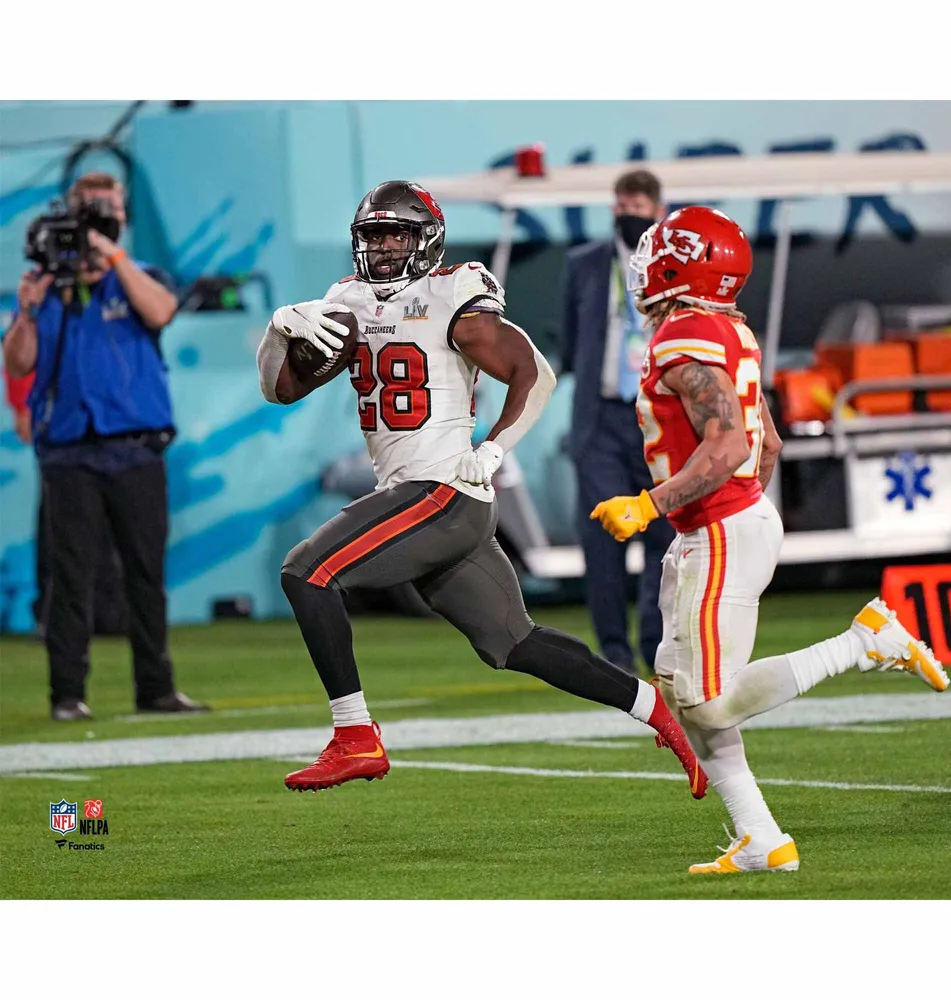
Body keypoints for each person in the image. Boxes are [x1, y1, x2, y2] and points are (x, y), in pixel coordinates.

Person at [256, 179, 705, 795]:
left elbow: (536, 373)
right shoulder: (347, 302)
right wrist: (279, 331)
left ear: (426, 239)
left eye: (398, 234)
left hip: (443, 488)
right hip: (417, 495)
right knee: (514, 641)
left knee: (307, 571)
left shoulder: (452, 294)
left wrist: (493, 448)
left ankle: (354, 734)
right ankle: (652, 709)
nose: (385, 249)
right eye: (374, 236)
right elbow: (280, 388)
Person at [591, 206, 950, 874]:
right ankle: (761, 836)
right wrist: (731, 512)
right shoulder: (728, 327)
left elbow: (729, 444)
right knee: (681, 687)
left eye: (658, 252)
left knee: (706, 699)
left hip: (719, 529)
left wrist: (652, 505)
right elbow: (769, 442)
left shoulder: (684, 336)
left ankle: (864, 641)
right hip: (726, 524)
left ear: (681, 263)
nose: (645, 265)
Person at [1, 172, 207, 721]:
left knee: (145, 573)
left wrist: (111, 257)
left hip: (136, 448)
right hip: (69, 451)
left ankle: (155, 689)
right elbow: (18, 362)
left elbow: (161, 311)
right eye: (89, 210)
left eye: (107, 209)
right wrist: (25, 310)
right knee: (71, 577)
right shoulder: (46, 287)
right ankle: (67, 695)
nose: (97, 219)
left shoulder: (138, 275)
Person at [560, 169, 673, 676]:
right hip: (601, 418)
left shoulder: (672, 267)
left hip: (657, 416)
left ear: (658, 210)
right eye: (622, 205)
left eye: (639, 205)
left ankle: (655, 641)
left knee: (663, 533)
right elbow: (569, 340)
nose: (629, 213)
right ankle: (613, 649)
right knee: (603, 535)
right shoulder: (584, 264)